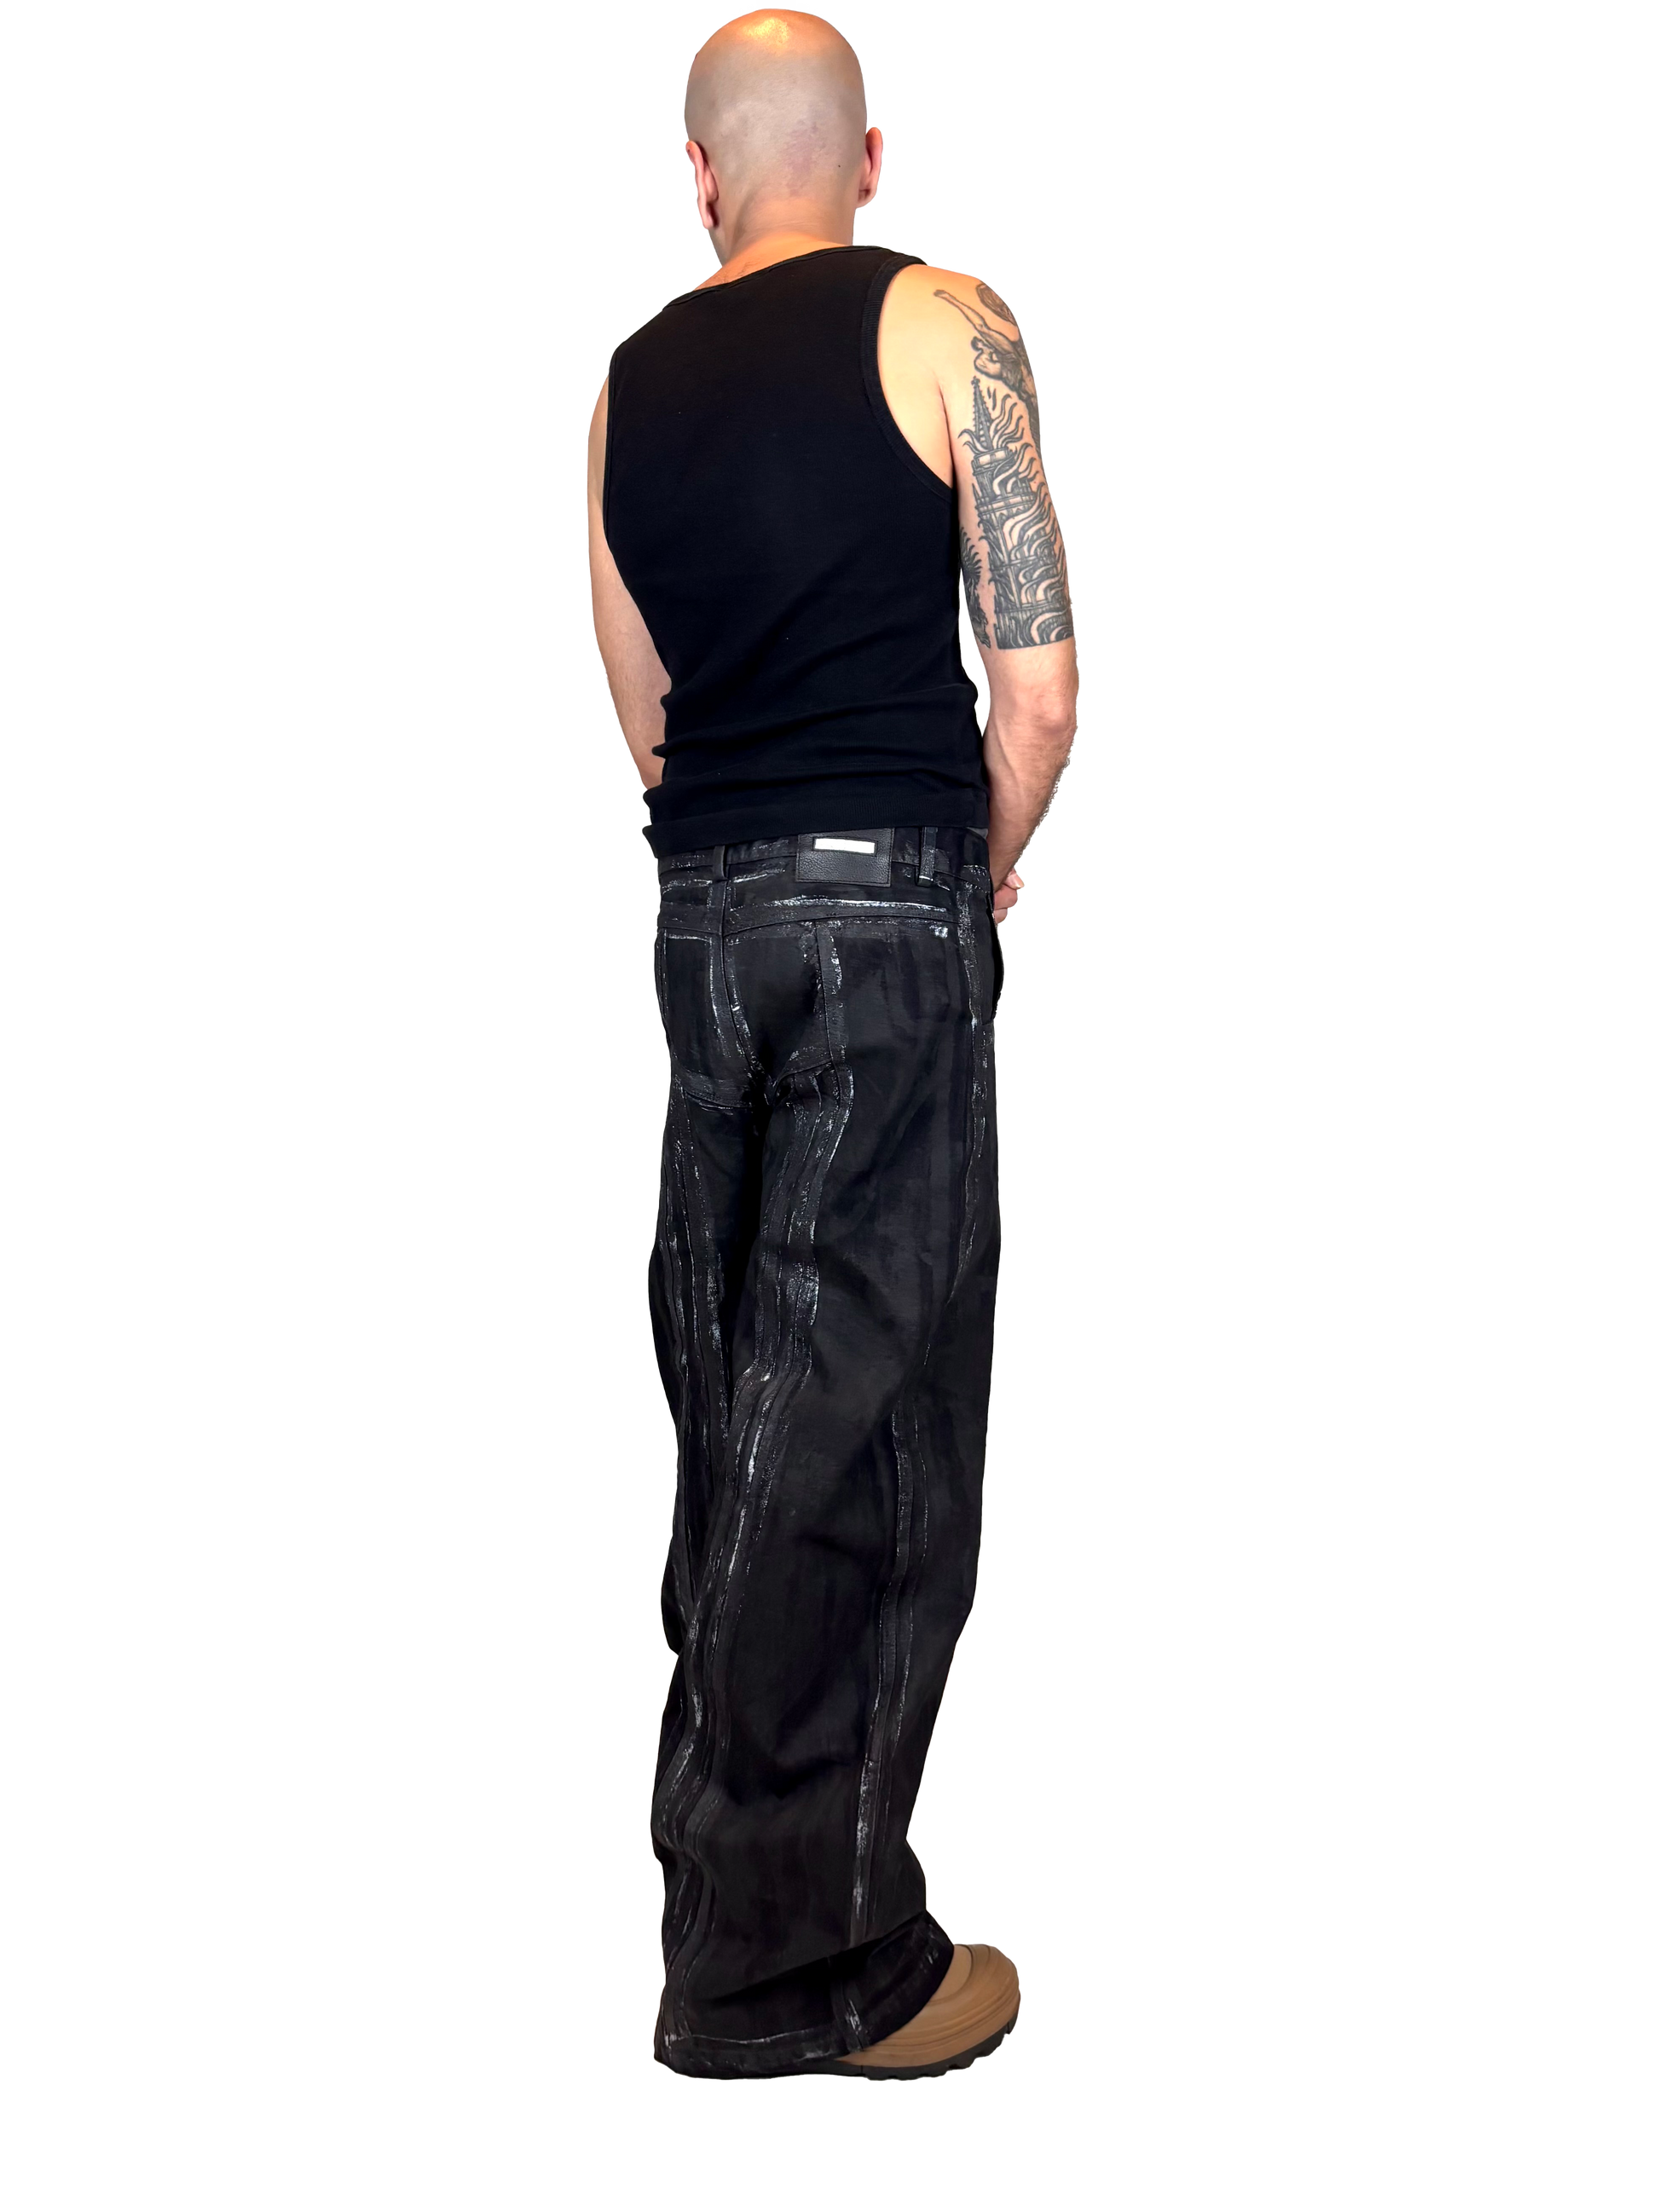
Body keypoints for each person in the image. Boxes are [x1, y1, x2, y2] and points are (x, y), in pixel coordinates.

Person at [583, 2, 1080, 2082]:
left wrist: (735, 859)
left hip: (702, 924)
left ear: (700, 176)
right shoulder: (949, 316)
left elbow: (641, 701)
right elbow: (1036, 684)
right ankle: (804, 1969)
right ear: (866, 158)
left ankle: (727, 1906)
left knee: (740, 1416)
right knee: (866, 1438)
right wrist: (982, 859)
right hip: (889, 908)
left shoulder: (622, 384)